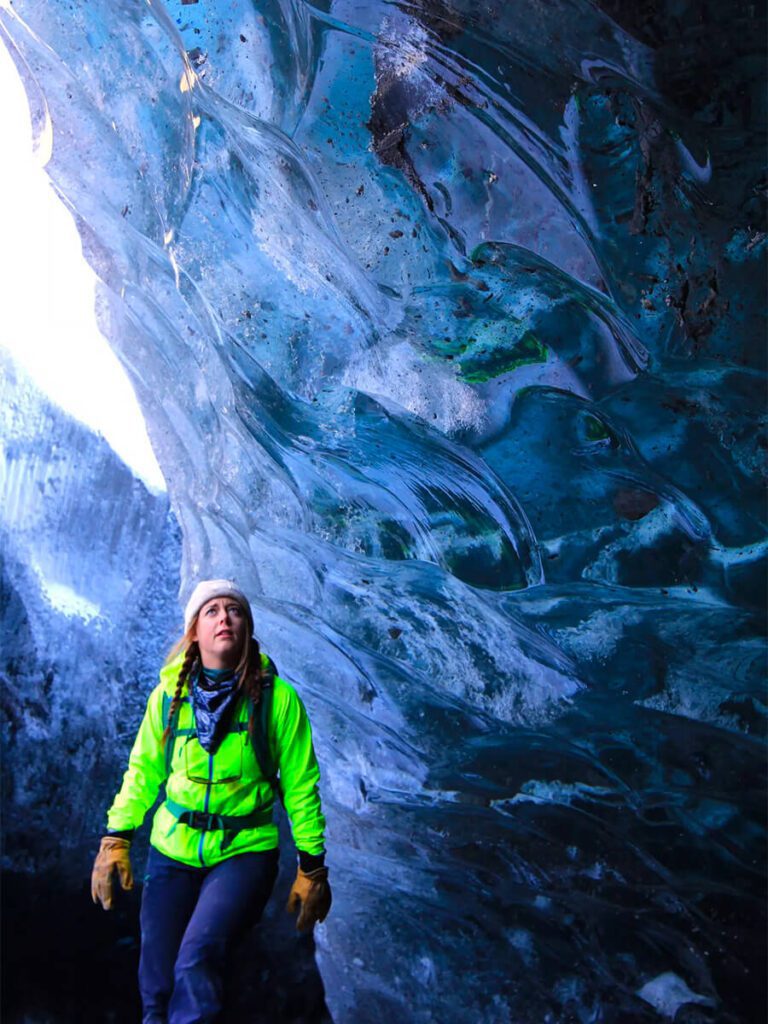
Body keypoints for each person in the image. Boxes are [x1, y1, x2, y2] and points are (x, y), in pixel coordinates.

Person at [90, 579, 331, 1024]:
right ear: (194, 633)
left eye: (234, 611)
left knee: (196, 960)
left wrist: (312, 866)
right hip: (173, 849)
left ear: (247, 629)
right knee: (156, 986)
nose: (225, 618)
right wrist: (116, 840)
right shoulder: (168, 699)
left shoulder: (277, 701)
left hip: (244, 852)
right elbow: (142, 772)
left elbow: (301, 788)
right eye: (212, 611)